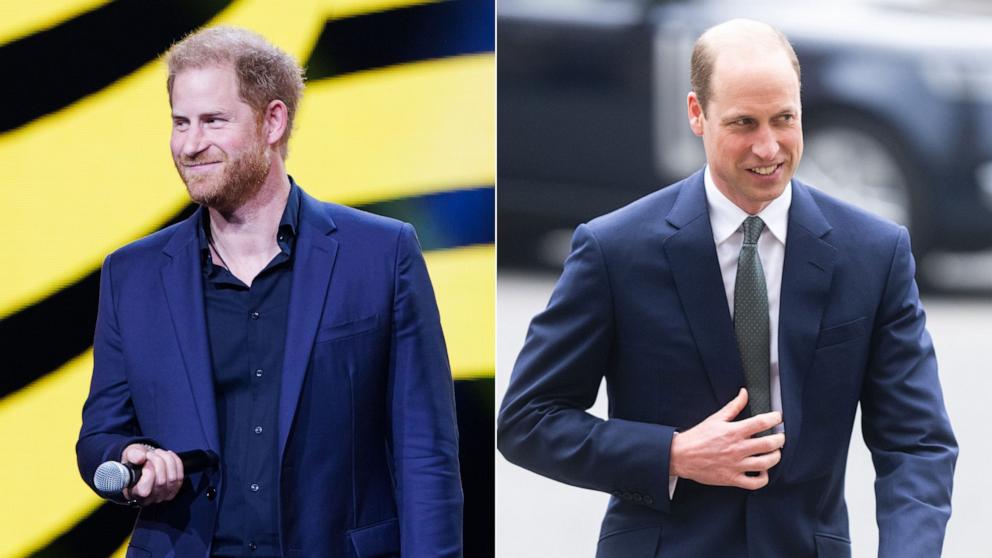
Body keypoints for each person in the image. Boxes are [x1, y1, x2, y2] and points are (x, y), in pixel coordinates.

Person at [497, 18, 956, 558]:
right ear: (697, 114)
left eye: (784, 119)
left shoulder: (874, 253)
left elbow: (917, 442)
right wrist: (671, 454)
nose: (769, 148)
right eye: (744, 123)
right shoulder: (613, 249)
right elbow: (528, 419)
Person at [76, 26, 463, 557]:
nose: (190, 145)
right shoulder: (133, 274)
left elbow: (426, 452)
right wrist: (128, 459)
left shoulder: (381, 254)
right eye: (180, 123)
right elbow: (98, 438)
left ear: (272, 121)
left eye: (213, 121)